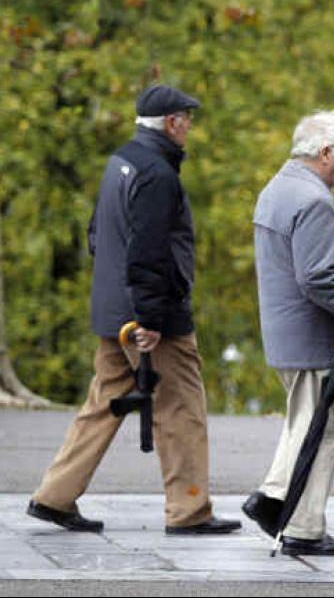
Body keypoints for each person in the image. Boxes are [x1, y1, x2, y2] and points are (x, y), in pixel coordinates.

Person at [27, 84, 240, 536]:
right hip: (148, 318)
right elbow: (149, 252)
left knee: (103, 403)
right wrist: (151, 318)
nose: (190, 127)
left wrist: (120, 303)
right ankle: (189, 510)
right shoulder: (158, 175)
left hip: (113, 309)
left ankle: (55, 495)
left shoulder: (120, 161)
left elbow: (96, 234)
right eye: (187, 118)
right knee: (181, 407)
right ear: (171, 123)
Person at [242, 111, 334, 556]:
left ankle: (276, 499)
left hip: (288, 334)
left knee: (305, 422)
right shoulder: (313, 200)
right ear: (325, 153)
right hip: (314, 337)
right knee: (323, 427)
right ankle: (301, 523)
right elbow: (318, 275)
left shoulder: (277, 189)